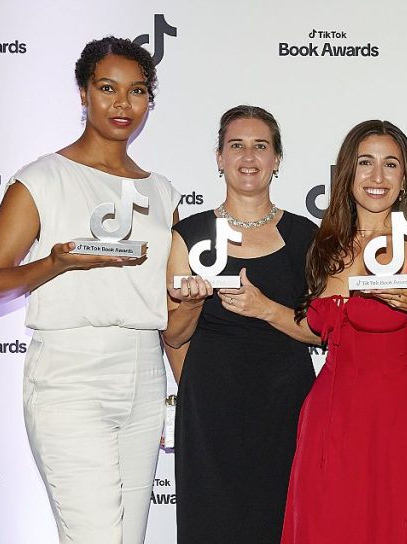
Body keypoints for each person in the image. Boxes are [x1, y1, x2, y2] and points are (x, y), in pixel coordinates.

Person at [0, 37, 179, 544]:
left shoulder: (161, 191)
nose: (123, 104)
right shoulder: (41, 179)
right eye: (108, 88)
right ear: (83, 93)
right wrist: (57, 262)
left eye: (137, 91)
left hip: (145, 374)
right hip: (70, 376)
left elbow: (169, 304)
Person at [281, 120, 407, 543]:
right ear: (347, 173)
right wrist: (261, 308)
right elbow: (315, 327)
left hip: (400, 421)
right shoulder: (325, 248)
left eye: (390, 165)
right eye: (366, 163)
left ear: (405, 179)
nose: (377, 177)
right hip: (330, 419)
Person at [164, 105, 320, 543]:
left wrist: (265, 307)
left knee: (282, 522)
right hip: (211, 408)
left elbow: (322, 331)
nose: (247, 157)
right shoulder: (188, 235)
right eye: (236, 145)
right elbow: (173, 335)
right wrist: (193, 305)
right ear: (219, 158)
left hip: (286, 405)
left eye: (260, 146)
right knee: (211, 523)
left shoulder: (306, 237)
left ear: (277, 160)